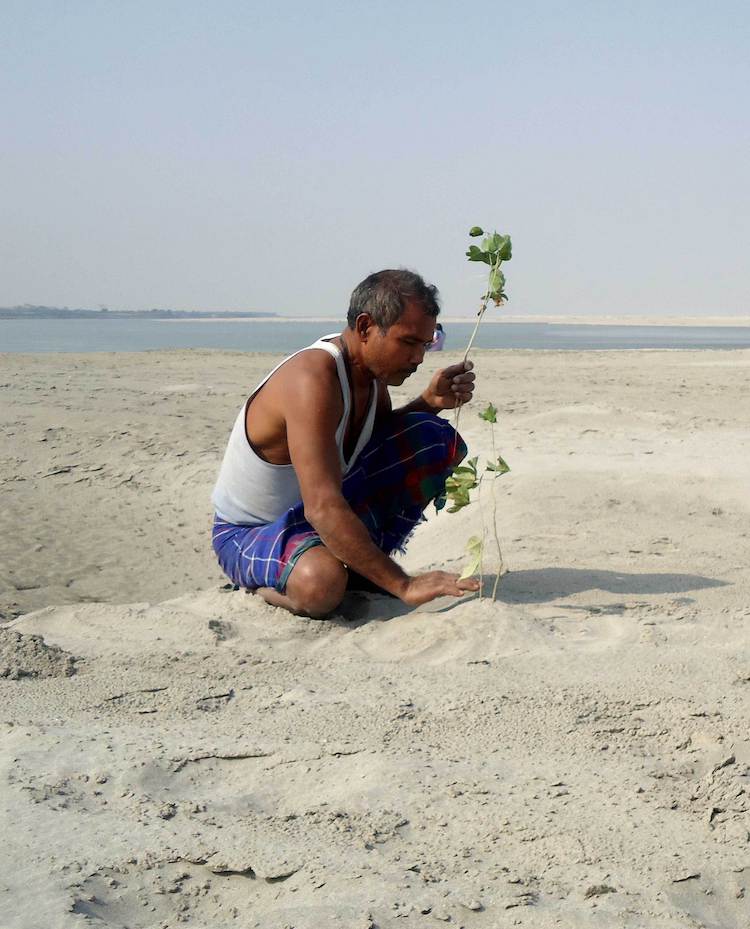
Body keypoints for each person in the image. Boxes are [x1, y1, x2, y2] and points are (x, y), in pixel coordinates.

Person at [211, 269, 479, 617]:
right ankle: (267, 586)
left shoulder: (370, 377)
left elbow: (372, 449)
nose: (419, 358)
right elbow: (322, 506)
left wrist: (428, 403)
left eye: (425, 345)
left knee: (431, 438)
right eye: (409, 342)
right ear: (366, 327)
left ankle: (357, 570)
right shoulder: (313, 379)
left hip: (309, 522)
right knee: (321, 583)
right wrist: (404, 585)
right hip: (249, 533)